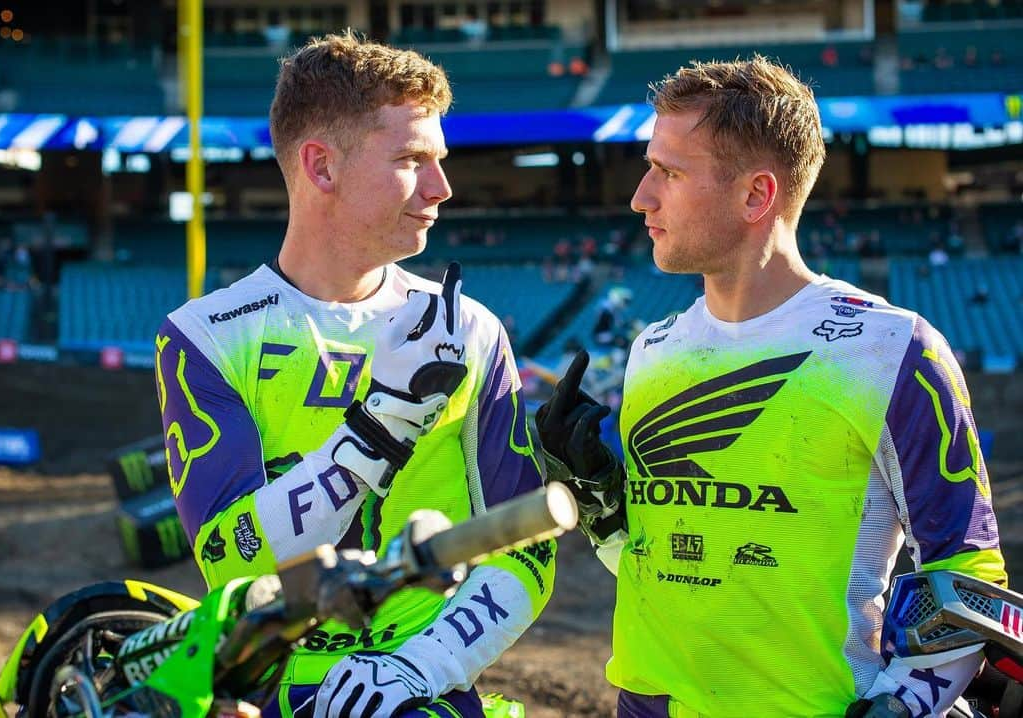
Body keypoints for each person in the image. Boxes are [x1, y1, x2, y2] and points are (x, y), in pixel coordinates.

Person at [535, 55, 1005, 718]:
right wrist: (602, 506)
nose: (640, 196)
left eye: (667, 172)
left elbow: (968, 574)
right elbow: (669, 570)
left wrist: (901, 708)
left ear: (756, 195)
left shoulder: (894, 351)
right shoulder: (653, 350)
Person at [154, 33, 553, 718]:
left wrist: (416, 667)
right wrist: (377, 429)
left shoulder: (471, 331)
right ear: (322, 166)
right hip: (268, 695)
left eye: (440, 160)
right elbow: (230, 560)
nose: (442, 187)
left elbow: (526, 547)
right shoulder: (205, 335)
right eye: (411, 160)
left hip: (423, 690)